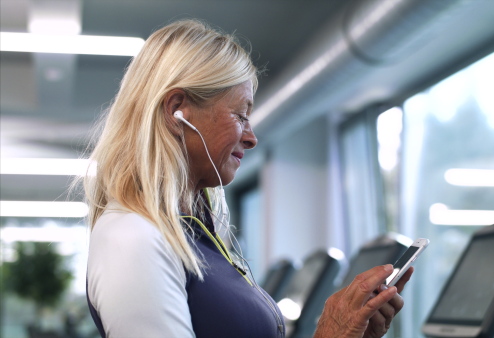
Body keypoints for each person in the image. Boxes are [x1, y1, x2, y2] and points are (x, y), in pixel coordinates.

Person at [84, 19, 413, 338]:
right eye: (240, 115)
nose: (252, 137)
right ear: (176, 110)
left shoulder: (192, 234)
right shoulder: (131, 236)